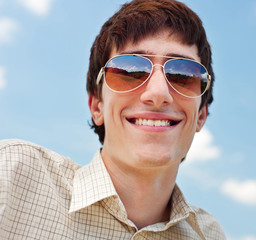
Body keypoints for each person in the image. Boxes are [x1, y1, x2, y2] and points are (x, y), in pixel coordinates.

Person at [0, 0, 225, 239]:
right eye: (130, 70)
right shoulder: (11, 174)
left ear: (201, 114)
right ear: (97, 106)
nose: (158, 93)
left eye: (183, 75)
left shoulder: (209, 235)